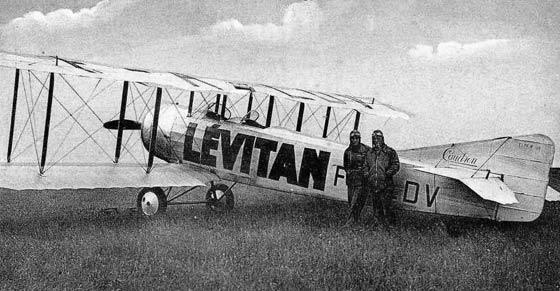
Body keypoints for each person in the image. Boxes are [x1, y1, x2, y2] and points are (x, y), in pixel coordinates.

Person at [364, 129, 400, 226]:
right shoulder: (370, 153)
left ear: (382, 139)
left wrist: (386, 174)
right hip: (374, 184)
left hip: (386, 184)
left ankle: (390, 226)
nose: (376, 140)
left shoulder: (390, 152)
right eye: (374, 138)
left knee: (387, 206)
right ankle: (378, 224)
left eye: (378, 138)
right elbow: (365, 165)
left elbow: (396, 165)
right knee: (376, 206)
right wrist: (367, 174)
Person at [343, 130, 370, 227]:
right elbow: (345, 165)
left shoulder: (366, 150)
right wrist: (349, 172)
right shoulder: (348, 151)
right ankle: (355, 222)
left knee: (355, 202)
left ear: (359, 139)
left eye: (356, 138)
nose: (354, 140)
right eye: (352, 138)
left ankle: (348, 223)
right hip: (351, 181)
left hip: (361, 182)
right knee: (351, 202)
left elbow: (371, 162)